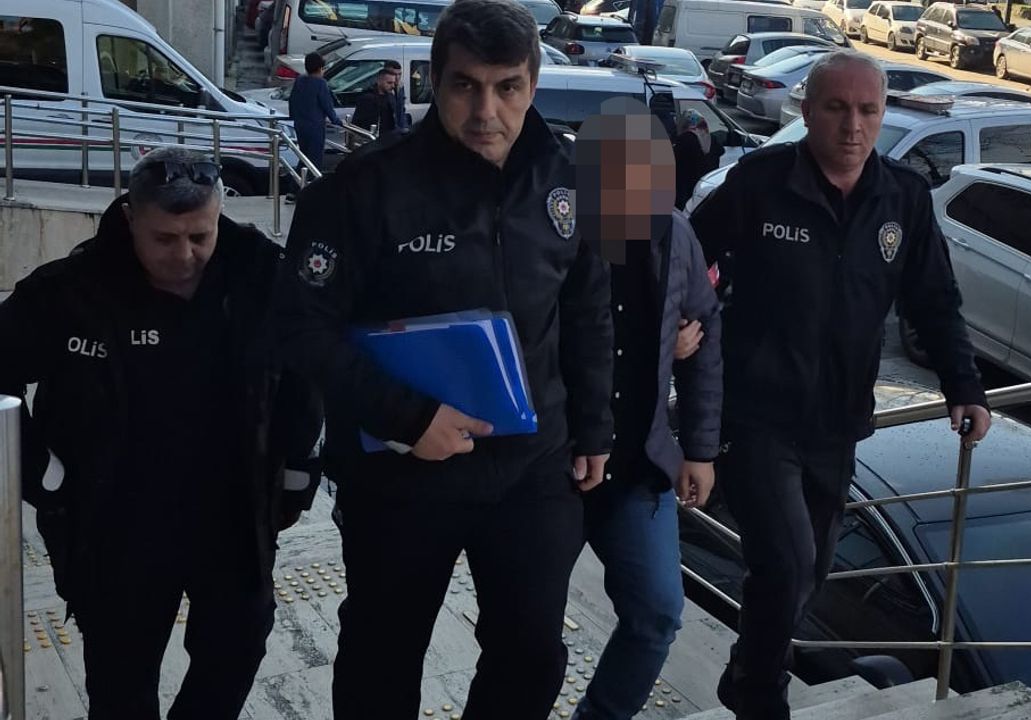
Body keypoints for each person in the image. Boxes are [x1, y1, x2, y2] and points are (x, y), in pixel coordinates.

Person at [269, 0, 613, 717]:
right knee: (381, 658)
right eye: (466, 86)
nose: (487, 110)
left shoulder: (566, 179)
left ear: (532, 84)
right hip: (402, 474)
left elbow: (585, 309)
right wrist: (409, 417)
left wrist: (594, 428)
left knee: (531, 655)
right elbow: (299, 327)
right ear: (435, 81)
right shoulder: (364, 189)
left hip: (532, 469)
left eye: (508, 87)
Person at [690, 50, 991, 719]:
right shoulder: (762, 180)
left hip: (838, 421)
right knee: (787, 561)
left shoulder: (903, 197)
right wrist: (690, 324)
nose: (852, 125)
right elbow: (687, 257)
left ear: (881, 115)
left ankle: (746, 673)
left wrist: (964, 386)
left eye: (867, 110)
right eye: (836, 108)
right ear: (807, 110)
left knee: (813, 569)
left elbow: (934, 300)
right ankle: (760, 697)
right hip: (756, 415)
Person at [0, 147, 323, 720]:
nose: (185, 255)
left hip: (231, 511)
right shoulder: (74, 290)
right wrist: (43, 476)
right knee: (121, 679)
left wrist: (298, 471)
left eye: (200, 236)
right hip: (116, 521)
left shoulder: (260, 275)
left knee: (239, 644)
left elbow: (302, 373)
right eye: (165, 239)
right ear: (130, 218)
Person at [570, 97, 723, 720]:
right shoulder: (556, 225)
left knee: (659, 612)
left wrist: (701, 449)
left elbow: (703, 333)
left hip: (638, 465)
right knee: (523, 630)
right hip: (556, 465)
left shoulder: (674, 232)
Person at [288, 51, 343, 173]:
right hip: (315, 126)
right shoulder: (320, 83)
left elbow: (292, 100)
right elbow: (327, 105)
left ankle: (299, 180)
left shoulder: (300, 80)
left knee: (304, 155)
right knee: (315, 158)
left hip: (300, 124)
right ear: (320, 68)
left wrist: (293, 116)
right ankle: (311, 180)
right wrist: (336, 121)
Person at [673, 108, 723, 211]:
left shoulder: (684, 140)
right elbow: (721, 151)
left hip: (686, 192)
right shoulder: (711, 139)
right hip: (706, 189)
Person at [349, 67, 400, 140]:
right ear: (379, 81)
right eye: (389, 83)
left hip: (388, 138)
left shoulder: (391, 97)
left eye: (393, 83)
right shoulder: (367, 99)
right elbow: (357, 122)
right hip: (371, 138)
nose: (393, 86)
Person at [383, 59, 411, 130]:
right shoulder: (382, 89)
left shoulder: (400, 87)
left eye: (399, 74)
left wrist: (405, 127)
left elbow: (401, 110)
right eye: (394, 74)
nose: (397, 77)